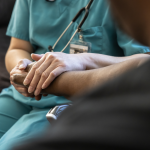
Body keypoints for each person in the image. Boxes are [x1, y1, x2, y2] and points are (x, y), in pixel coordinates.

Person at [0, 0, 150, 149]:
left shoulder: (125, 5)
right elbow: (17, 47)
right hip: (22, 95)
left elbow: (144, 64)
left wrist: (85, 59)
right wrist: (23, 71)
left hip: (72, 101)